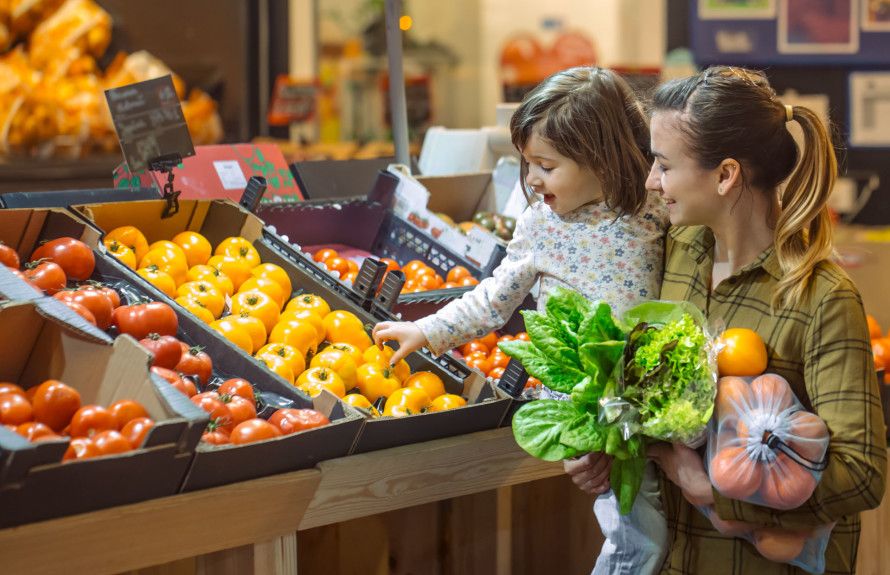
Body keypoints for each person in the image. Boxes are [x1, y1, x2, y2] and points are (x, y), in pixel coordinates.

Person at [565, 65, 887, 573]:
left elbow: (862, 474)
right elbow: (661, 401)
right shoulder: (679, 250)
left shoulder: (820, 297)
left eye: (664, 166)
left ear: (725, 174)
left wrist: (711, 488)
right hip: (676, 558)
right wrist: (610, 445)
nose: (652, 181)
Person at [373, 66, 670, 574]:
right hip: (585, 398)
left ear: (601, 158)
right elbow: (493, 299)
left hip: (648, 391)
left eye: (545, 165)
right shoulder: (541, 225)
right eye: (526, 163)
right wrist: (426, 330)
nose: (531, 179)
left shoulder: (653, 207)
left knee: (662, 520)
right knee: (639, 535)